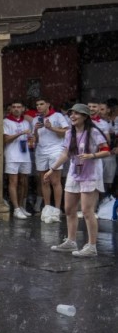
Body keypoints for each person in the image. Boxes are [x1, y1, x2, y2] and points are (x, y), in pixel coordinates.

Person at [47, 104, 110, 257]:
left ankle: (92, 246)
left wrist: (92, 156)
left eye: (77, 114)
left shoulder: (93, 132)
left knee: (88, 211)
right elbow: (65, 154)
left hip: (91, 174)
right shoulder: (70, 133)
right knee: (68, 209)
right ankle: (71, 241)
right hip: (74, 172)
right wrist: (53, 169)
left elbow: (106, 151)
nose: (73, 116)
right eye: (71, 114)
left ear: (85, 117)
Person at [33, 97, 69, 222]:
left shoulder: (58, 116)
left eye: (42, 104)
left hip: (56, 150)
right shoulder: (35, 119)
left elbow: (66, 132)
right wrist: (35, 130)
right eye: (37, 104)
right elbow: (35, 139)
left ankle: (57, 210)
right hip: (41, 151)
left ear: (48, 104)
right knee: (44, 181)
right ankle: (47, 208)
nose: (39, 106)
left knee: (55, 181)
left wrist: (51, 128)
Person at [3, 101, 33, 220]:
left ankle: (21, 206)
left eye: (19, 107)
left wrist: (32, 138)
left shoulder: (26, 122)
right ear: (10, 109)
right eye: (14, 107)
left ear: (23, 109)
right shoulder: (6, 122)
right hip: (12, 155)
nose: (16, 109)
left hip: (25, 155)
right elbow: (6, 139)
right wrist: (20, 133)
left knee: (23, 182)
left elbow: (30, 138)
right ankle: (15, 208)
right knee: (13, 182)